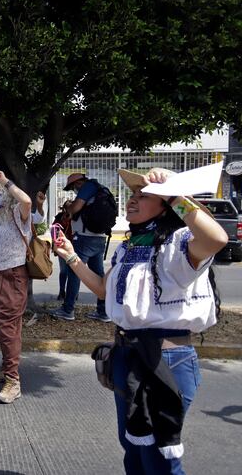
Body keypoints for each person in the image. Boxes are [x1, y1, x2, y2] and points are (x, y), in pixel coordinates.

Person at [53, 168, 226, 474]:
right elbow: (104, 290)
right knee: (132, 450)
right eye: (132, 195)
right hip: (127, 356)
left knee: (159, 460)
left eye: (143, 196)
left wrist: (174, 194)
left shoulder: (180, 241)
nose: (131, 201)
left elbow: (216, 238)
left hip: (166, 360)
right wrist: (70, 255)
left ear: (166, 204)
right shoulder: (130, 244)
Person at [0, 171, 32, 404]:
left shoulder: (18, 213)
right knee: (0, 325)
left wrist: (6, 181)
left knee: (8, 325)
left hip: (12, 274)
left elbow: (27, 200)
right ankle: (5, 368)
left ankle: (13, 381)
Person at [50, 172, 116, 322]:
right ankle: (103, 311)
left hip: (85, 238)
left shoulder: (88, 187)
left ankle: (68, 310)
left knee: (75, 271)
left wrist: (68, 206)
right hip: (99, 237)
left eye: (73, 187)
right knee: (98, 273)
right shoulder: (101, 189)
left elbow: (74, 210)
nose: (74, 190)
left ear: (78, 183)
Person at [52, 200, 74, 301]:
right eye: (67, 208)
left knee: (73, 271)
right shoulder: (59, 217)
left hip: (74, 247)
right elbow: (54, 230)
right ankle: (62, 291)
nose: (68, 210)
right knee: (64, 271)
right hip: (62, 247)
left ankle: (73, 293)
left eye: (71, 208)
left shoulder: (76, 217)